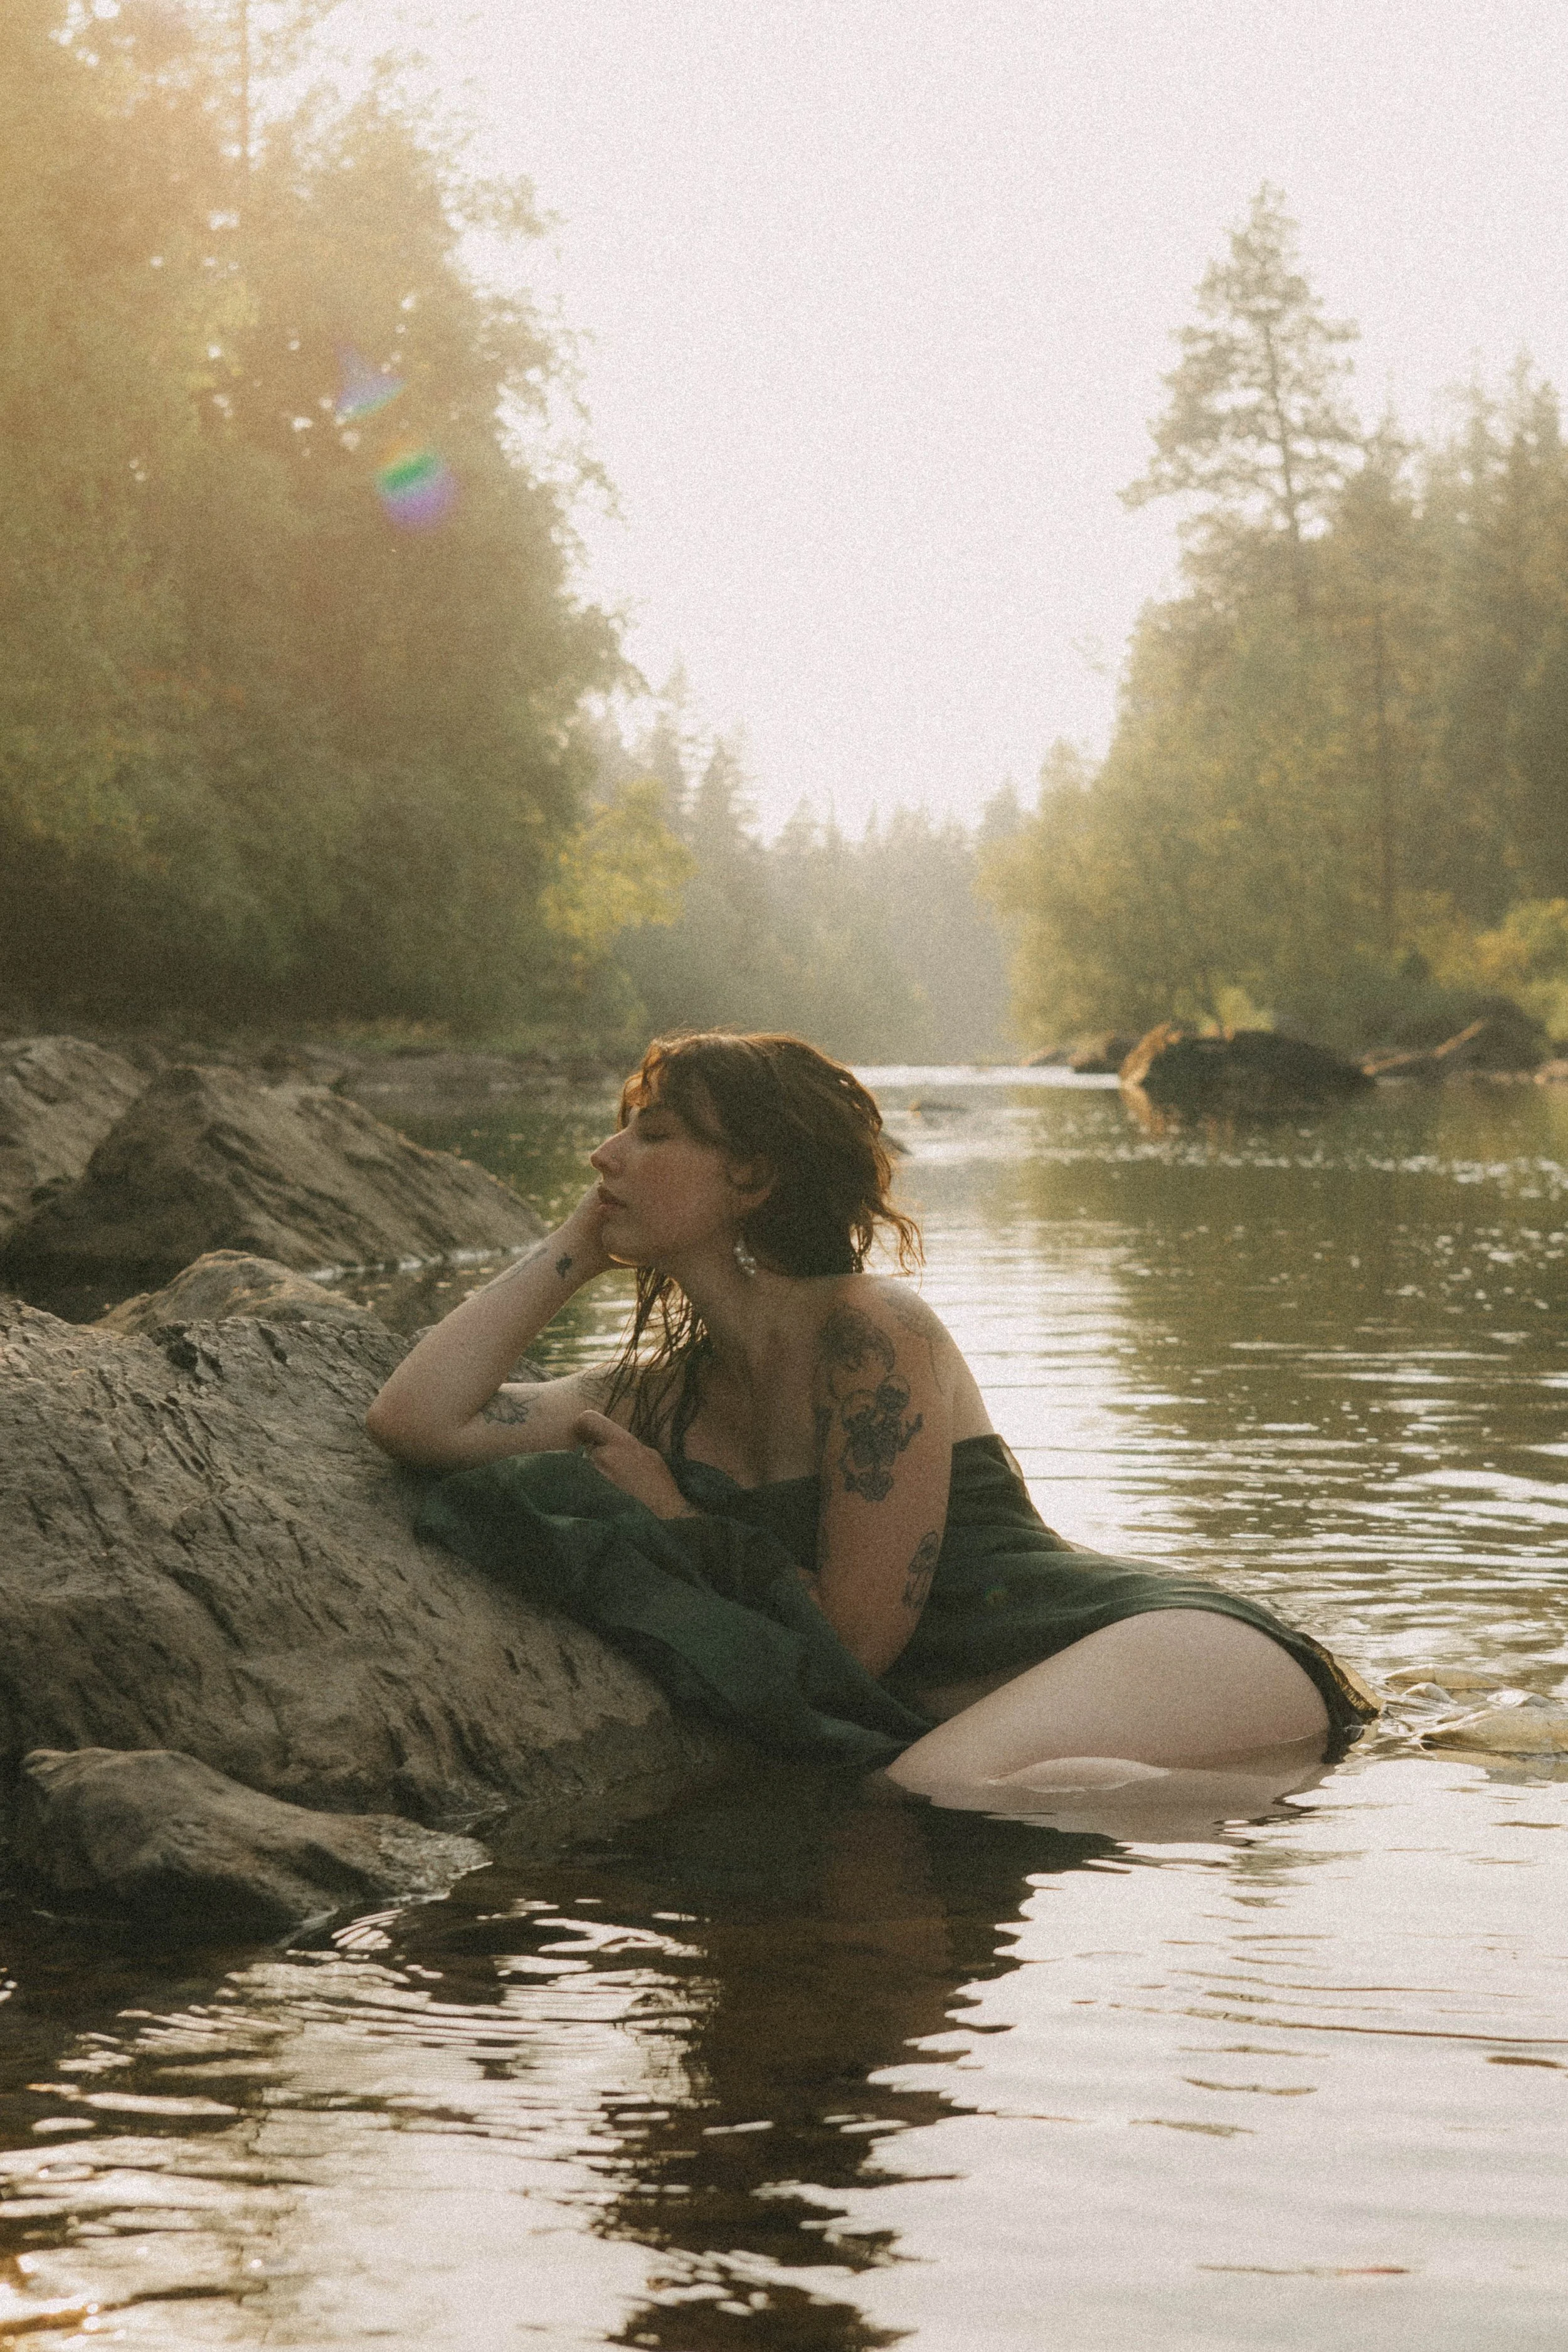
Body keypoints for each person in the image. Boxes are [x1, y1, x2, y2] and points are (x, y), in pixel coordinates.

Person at [366, 1032, 1377, 1801]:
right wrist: (575, 1249)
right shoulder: (657, 1392)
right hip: (1033, 1710)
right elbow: (415, 1420)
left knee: (924, 1792)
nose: (605, 1153)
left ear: (752, 1176)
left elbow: (855, 1648)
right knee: (915, 1790)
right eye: (622, 1129)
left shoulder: (869, 1332)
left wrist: (676, 1518)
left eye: (654, 1134)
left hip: (1170, 1653)